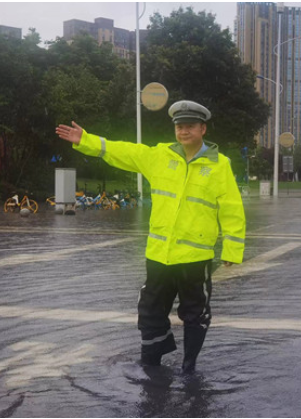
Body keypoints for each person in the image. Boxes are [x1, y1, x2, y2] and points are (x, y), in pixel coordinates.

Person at [56, 100, 246, 373]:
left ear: (203, 128)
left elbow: (232, 209)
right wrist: (85, 140)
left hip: (195, 256)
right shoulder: (160, 156)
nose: (183, 131)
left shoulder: (219, 165)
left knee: (195, 314)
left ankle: (189, 365)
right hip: (159, 254)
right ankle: (153, 358)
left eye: (190, 126)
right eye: (179, 127)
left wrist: (232, 250)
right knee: (150, 310)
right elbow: (124, 151)